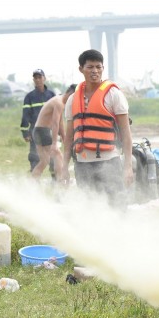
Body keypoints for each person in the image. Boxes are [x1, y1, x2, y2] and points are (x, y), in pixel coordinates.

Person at [59, 50, 134, 207]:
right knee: (90, 207)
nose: (95, 71)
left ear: (103, 68)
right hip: (82, 163)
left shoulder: (114, 95)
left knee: (117, 206)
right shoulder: (73, 99)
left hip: (109, 161)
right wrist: (64, 167)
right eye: (90, 67)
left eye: (98, 67)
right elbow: (68, 138)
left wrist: (127, 167)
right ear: (81, 69)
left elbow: (126, 135)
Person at [30, 84, 76, 180]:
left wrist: (64, 137)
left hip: (38, 130)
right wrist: (54, 143)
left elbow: (60, 122)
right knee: (58, 155)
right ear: (70, 94)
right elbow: (55, 123)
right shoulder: (59, 103)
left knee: (44, 161)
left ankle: (33, 183)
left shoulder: (60, 102)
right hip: (43, 131)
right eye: (74, 97)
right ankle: (60, 183)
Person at [21, 69, 55, 173]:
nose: (38, 80)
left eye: (40, 77)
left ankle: (54, 176)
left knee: (51, 153)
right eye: (35, 78)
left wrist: (57, 132)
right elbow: (25, 115)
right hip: (34, 129)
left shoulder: (51, 95)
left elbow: (56, 113)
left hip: (48, 129)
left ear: (44, 78)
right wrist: (25, 132)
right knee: (34, 154)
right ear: (33, 80)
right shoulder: (29, 97)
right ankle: (34, 176)